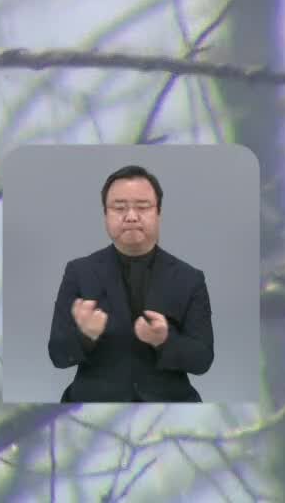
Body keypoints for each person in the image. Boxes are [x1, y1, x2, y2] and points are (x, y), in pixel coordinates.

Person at [47, 164, 214, 402]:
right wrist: (85, 335)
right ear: (105, 215)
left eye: (143, 207)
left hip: (169, 403)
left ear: (159, 213)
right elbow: (58, 355)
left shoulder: (189, 278)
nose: (131, 216)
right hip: (94, 404)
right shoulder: (79, 272)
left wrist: (164, 340)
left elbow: (203, 360)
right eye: (119, 208)